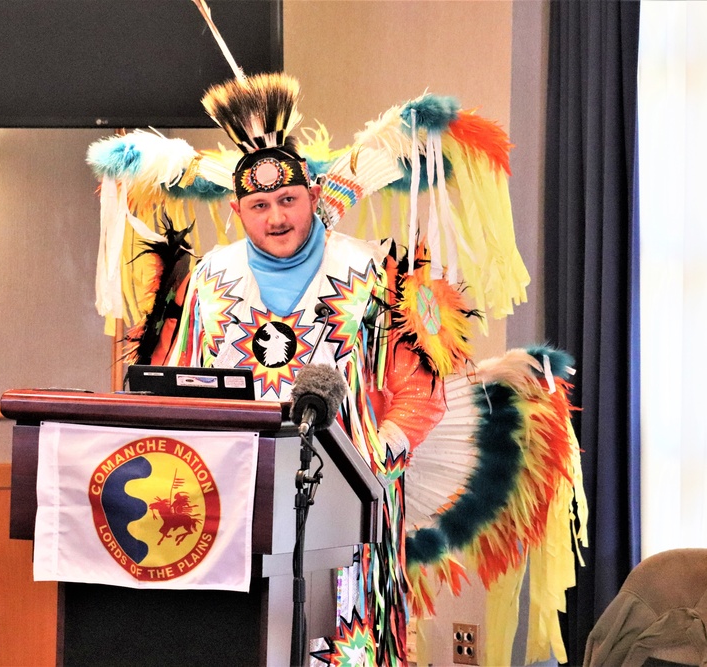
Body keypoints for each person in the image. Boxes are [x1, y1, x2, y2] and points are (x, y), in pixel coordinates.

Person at [157, 82, 446, 663]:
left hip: (352, 504)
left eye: (288, 199)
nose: (276, 216)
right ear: (237, 211)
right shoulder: (210, 279)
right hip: (232, 503)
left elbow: (420, 387)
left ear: (313, 196)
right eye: (260, 206)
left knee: (342, 646)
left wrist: (372, 460)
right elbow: (175, 382)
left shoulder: (371, 270)